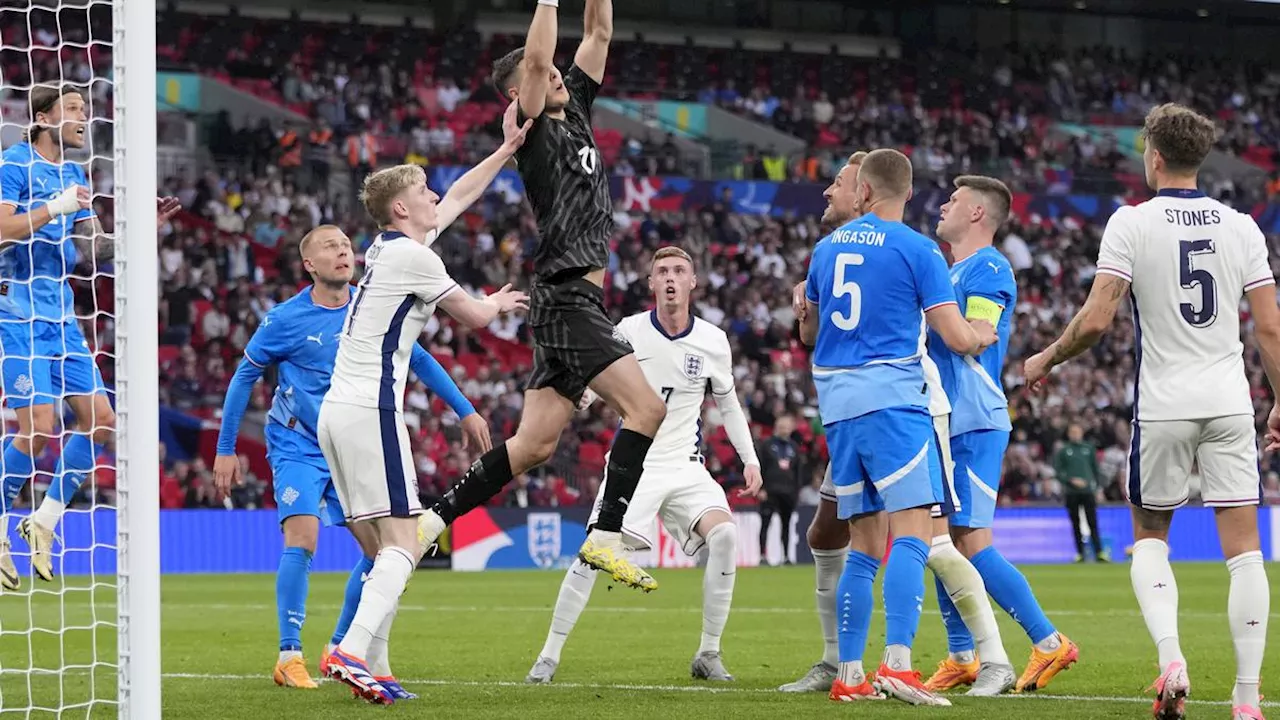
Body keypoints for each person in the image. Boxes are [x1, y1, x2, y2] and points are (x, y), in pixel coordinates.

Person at [1024, 103, 1273, 720]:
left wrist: (1047, 358)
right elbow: (1269, 325)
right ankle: (1246, 700)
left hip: (1163, 404)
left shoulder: (1130, 223)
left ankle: (1171, 661)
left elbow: (1099, 319)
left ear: (1154, 156)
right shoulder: (1240, 225)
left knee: (1150, 539)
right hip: (1229, 401)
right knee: (1244, 550)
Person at [413, 0, 668, 593]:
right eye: (545, 74)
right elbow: (535, 57)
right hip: (566, 298)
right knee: (648, 410)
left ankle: (432, 521)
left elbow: (600, 29)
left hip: (573, 301)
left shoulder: (574, 106)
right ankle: (605, 536)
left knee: (531, 447)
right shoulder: (533, 132)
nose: (555, 75)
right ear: (517, 97)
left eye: (558, 73)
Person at [212, 225, 484, 694]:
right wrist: (225, 448)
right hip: (298, 440)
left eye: (345, 244)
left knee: (380, 553)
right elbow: (243, 378)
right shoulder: (284, 319)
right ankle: (289, 655)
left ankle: (339, 646)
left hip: (351, 442)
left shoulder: (369, 306)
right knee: (304, 537)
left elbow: (417, 359)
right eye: (329, 247)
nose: (342, 251)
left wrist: (465, 409)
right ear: (309, 265)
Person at [780, 153, 1008, 699]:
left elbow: (808, 334)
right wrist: (982, 337)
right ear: (905, 195)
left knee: (863, 542)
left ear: (864, 192)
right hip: (895, 406)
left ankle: (850, 675)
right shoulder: (918, 249)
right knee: (912, 533)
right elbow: (955, 336)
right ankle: (900, 665)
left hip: (838, 411)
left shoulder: (825, 249)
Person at [317, 159, 530, 704]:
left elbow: (458, 195)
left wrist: (505, 149)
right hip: (371, 410)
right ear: (401, 208)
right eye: (422, 190)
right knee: (406, 543)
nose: (435, 195)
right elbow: (477, 319)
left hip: (337, 414)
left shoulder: (387, 249)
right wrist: (498, 303)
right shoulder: (413, 256)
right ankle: (351, 650)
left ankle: (378, 666)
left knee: (381, 553)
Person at [524, 246, 763, 685]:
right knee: (593, 554)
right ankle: (548, 656)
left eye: (679, 271)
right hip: (636, 466)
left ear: (693, 281)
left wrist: (750, 458)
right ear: (651, 283)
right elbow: (601, 380)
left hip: (687, 466)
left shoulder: (712, 339)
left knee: (726, 535)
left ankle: (709, 653)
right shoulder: (628, 331)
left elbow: (728, 404)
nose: (670, 278)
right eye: (662, 272)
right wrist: (583, 395)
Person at [0, 84, 180, 588]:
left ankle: (44, 521)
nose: (85, 117)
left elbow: (92, 250)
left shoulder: (73, 173)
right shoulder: (12, 163)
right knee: (35, 427)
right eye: (74, 108)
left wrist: (141, 230)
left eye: (86, 108)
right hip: (16, 309)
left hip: (62, 316)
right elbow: (0, 229)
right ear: (42, 117)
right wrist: (53, 209)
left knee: (101, 421)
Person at [923, 175, 1077, 696]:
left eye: (953, 200)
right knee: (942, 539)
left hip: (973, 418)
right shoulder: (951, 269)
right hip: (946, 418)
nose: (942, 205)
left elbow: (976, 332)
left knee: (970, 540)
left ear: (976, 215)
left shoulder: (988, 266)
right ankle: (963, 655)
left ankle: (1048, 639)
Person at [1053, 423, 1108, 563]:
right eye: (1072, 432)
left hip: (1088, 491)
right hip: (1071, 492)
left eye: (1077, 431)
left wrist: (1097, 487)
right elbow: (1058, 472)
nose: (1075, 434)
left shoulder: (1089, 449)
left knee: (1093, 522)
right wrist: (1071, 480)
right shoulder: (1064, 451)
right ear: (1069, 434)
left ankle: (1099, 552)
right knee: (1075, 523)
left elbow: (1095, 469)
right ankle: (1080, 553)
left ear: (1082, 433)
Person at [757, 414, 802, 564]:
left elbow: (798, 471)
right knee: (765, 523)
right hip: (770, 490)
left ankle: (787, 556)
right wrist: (761, 488)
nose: (784, 430)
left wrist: (797, 491)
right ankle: (763, 556)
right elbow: (761, 466)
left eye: (787, 427)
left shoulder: (794, 447)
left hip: (788, 492)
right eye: (782, 427)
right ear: (777, 427)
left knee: (786, 525)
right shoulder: (767, 445)